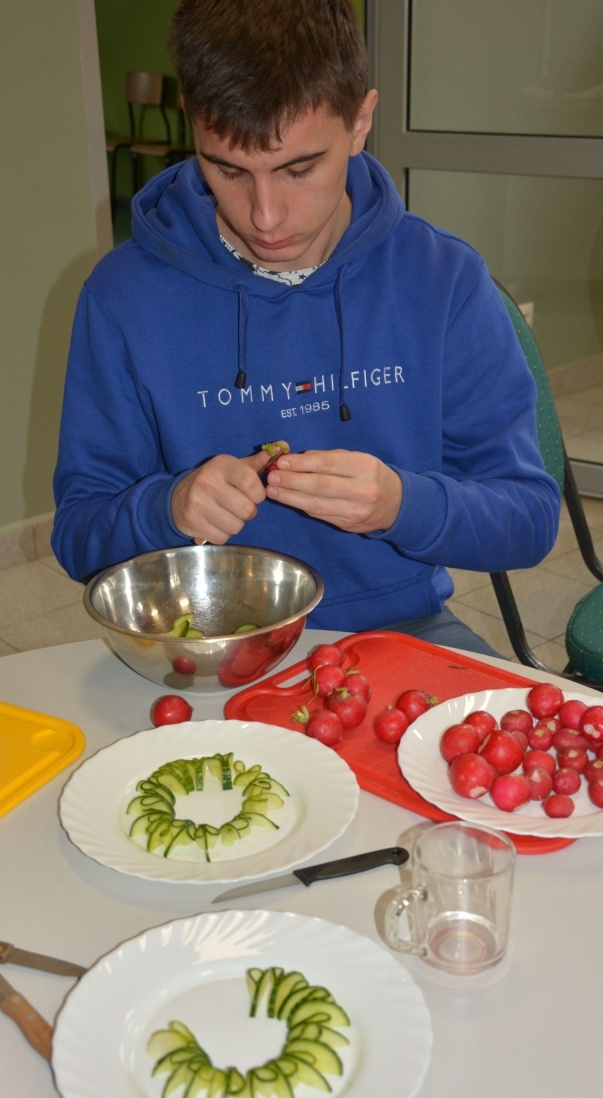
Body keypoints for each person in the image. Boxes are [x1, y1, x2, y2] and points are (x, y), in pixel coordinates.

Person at [51, 0, 560, 658]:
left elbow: (529, 520)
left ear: (361, 123)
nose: (266, 217)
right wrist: (166, 509)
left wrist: (401, 504)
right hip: (205, 643)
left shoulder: (443, 279)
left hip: (398, 630)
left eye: (299, 169)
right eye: (228, 170)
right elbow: (79, 538)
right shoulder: (123, 297)